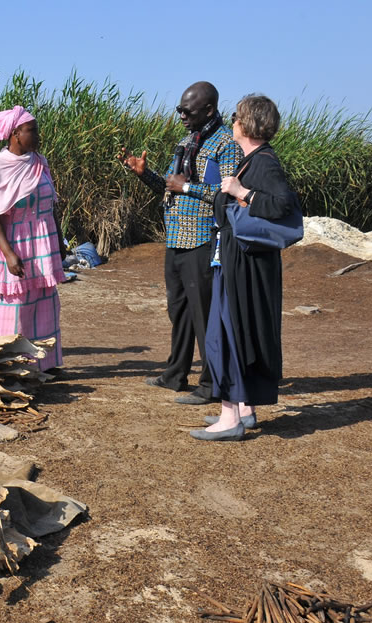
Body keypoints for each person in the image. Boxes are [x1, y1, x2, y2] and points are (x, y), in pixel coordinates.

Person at [120, 82, 241, 405]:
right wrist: (145, 174)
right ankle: (175, 374)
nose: (182, 116)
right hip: (175, 238)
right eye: (179, 110)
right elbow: (171, 187)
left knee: (204, 315)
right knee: (180, 312)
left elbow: (230, 194)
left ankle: (212, 383)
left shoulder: (225, 144)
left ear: (209, 111)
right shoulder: (186, 142)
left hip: (203, 238)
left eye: (188, 111)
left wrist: (189, 188)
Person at [190, 95, 296, 441]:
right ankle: (243, 408)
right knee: (236, 330)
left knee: (228, 332)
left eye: (236, 116)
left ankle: (229, 417)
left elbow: (282, 204)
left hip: (244, 267)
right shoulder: (253, 160)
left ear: (247, 123)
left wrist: (242, 191)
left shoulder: (264, 163)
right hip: (239, 262)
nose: (232, 121)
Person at [0, 106, 64, 371]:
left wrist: (59, 242)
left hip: (42, 244)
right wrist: (9, 254)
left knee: (44, 306)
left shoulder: (39, 162)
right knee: (15, 311)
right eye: (32, 130)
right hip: (14, 244)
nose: (37, 135)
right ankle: (14, 369)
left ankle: (44, 366)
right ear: (15, 133)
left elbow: (49, 206)